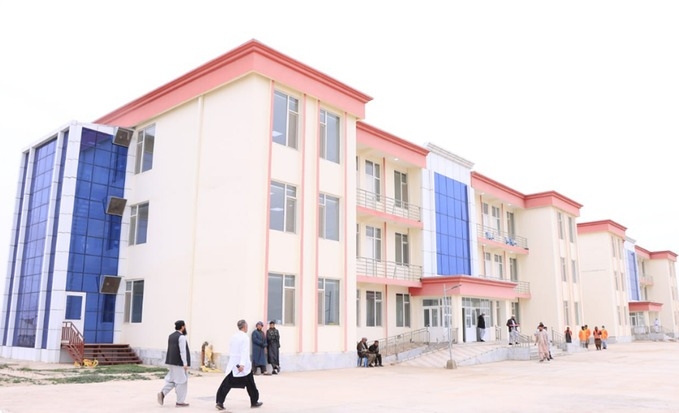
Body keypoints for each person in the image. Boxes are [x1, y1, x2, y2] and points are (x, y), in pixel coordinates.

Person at [215, 320, 263, 410]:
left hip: (234, 363)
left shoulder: (233, 336)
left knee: (227, 384)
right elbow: (244, 351)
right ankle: (254, 402)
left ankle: (220, 402)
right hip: (243, 365)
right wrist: (242, 364)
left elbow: (231, 349)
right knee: (251, 384)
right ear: (244, 327)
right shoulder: (245, 337)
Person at [158, 320, 191, 407]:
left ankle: (163, 393)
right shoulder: (181, 337)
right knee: (182, 381)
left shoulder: (171, 336)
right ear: (182, 327)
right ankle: (180, 401)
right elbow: (182, 351)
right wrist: (185, 363)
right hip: (179, 363)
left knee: (173, 380)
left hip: (171, 362)